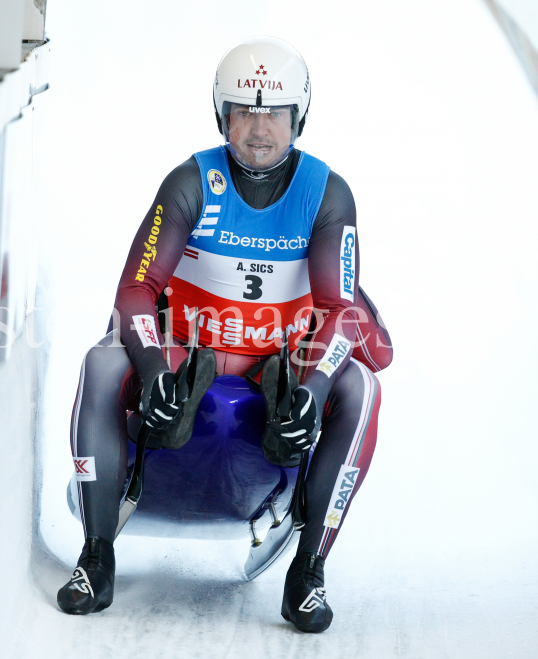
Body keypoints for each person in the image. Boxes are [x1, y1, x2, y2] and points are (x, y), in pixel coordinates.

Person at [57, 36, 393, 633]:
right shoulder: (190, 182)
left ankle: (308, 574)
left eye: (275, 114)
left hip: (281, 359)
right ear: (223, 117)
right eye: (245, 112)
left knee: (362, 389)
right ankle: (95, 557)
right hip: (190, 350)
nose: (259, 129)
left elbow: (341, 310)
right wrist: (156, 368)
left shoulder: (326, 193)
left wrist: (314, 387)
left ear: (298, 118)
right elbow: (134, 291)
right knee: (102, 361)